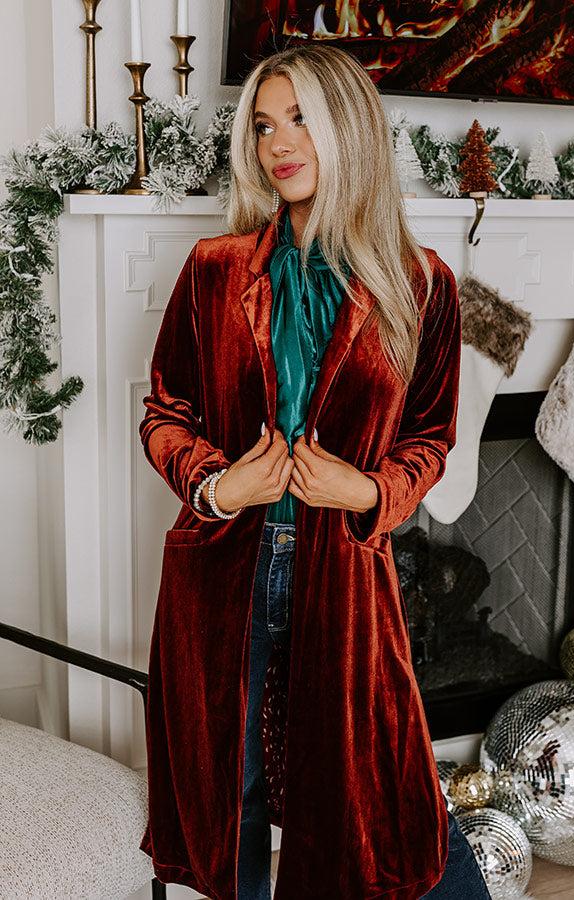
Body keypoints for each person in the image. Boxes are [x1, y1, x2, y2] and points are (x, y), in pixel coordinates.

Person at [139, 44, 492, 900]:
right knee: (234, 801)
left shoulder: (421, 284)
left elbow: (429, 437)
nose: (278, 144)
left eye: (299, 118)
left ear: (348, 128)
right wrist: (220, 486)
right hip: (225, 571)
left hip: (345, 572)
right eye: (264, 125)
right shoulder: (215, 270)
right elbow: (165, 413)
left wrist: (367, 491)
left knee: (381, 799)